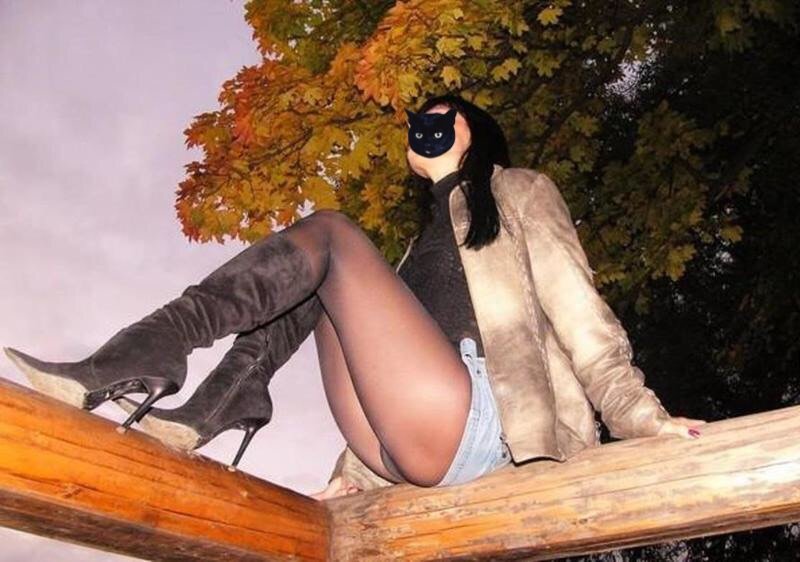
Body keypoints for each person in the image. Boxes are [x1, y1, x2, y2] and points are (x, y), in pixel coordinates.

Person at [4, 94, 706, 500]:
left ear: (476, 133)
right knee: (315, 279)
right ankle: (220, 403)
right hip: (403, 446)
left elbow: (581, 312)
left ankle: (146, 353)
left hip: (496, 427)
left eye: (446, 116)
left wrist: (640, 416)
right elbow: (389, 365)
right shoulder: (412, 249)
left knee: (333, 235)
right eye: (420, 120)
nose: (428, 124)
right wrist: (353, 477)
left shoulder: (520, 191)